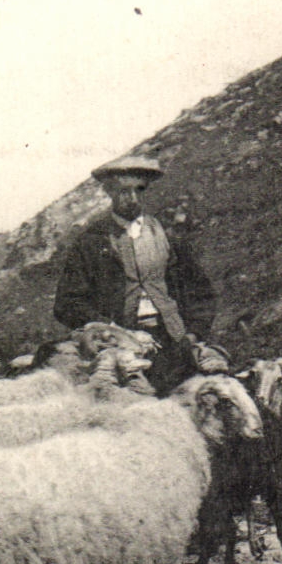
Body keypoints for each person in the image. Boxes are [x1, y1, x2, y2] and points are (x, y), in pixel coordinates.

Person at [53, 154, 226, 394]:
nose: (132, 198)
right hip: (120, 349)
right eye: (124, 191)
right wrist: (111, 330)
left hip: (173, 341)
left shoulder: (168, 237)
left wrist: (193, 334)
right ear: (109, 192)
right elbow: (67, 303)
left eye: (139, 190)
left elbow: (201, 292)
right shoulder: (91, 242)